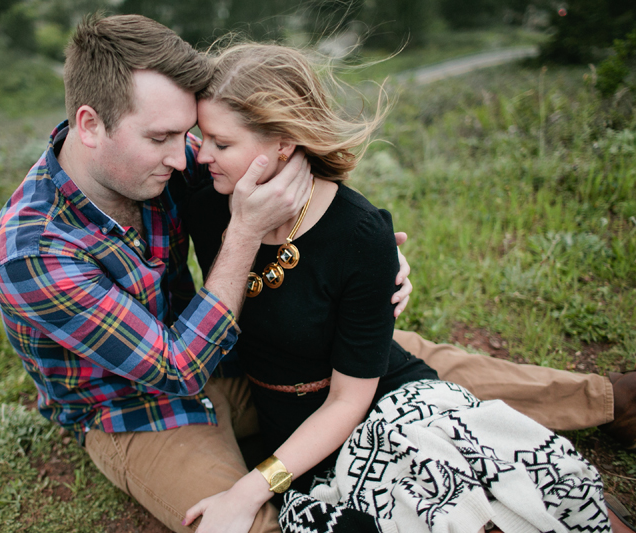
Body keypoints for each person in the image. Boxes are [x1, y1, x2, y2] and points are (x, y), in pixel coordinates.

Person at [0, 13, 633, 533]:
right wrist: (241, 234)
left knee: (397, 357)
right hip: (138, 410)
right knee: (236, 520)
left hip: (230, 351)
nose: (186, 156)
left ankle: (610, 400)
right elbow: (176, 367)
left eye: (188, 134)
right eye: (163, 138)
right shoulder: (34, 251)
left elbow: (276, 160)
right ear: (90, 125)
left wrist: (367, 254)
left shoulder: (157, 157)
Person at [181, 42, 613, 533]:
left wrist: (251, 488)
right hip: (287, 424)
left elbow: (349, 400)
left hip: (380, 401)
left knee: (486, 497)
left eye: (220, 142)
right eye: (202, 138)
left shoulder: (360, 234)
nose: (202, 156)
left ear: (283, 142)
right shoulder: (210, 200)